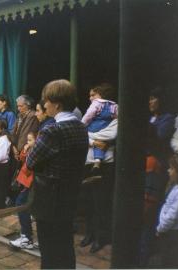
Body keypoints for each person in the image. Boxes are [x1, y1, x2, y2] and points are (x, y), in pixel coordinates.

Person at [26, 79, 88, 269]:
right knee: (65, 245)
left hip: (49, 199)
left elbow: (30, 162)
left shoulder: (52, 130)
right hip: (69, 195)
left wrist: (31, 147)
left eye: (47, 101)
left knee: (49, 251)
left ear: (57, 104)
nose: (44, 105)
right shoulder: (81, 127)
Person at [140, 87, 175, 267]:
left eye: (153, 98)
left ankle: (144, 254)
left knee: (149, 209)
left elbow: (158, 138)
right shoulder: (148, 118)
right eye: (149, 99)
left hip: (156, 168)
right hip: (143, 166)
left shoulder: (167, 119)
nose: (150, 102)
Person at [81, 119, 118, 253]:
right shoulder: (89, 119)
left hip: (105, 165)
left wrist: (90, 135)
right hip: (88, 163)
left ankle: (101, 237)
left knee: (101, 201)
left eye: (93, 96)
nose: (91, 99)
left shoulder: (114, 120)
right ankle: (89, 234)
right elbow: (82, 134)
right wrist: (95, 142)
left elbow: (111, 136)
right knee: (88, 200)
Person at [82, 83, 118, 175]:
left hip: (105, 159)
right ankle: (97, 161)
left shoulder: (97, 104)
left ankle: (97, 161)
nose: (90, 98)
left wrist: (82, 125)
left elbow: (88, 116)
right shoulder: (114, 106)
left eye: (93, 95)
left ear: (100, 94)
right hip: (93, 158)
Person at [10, 132, 37, 250]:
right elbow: (21, 159)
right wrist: (25, 151)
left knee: (21, 205)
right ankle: (27, 236)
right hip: (26, 182)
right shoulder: (31, 151)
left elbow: (28, 169)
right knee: (23, 205)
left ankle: (26, 237)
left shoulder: (37, 153)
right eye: (28, 140)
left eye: (30, 140)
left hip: (30, 183)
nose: (28, 143)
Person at [156, 154, 178, 268]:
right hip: (169, 230)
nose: (168, 170)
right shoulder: (175, 187)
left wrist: (160, 228)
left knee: (168, 261)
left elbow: (172, 216)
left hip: (172, 233)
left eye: (171, 168)